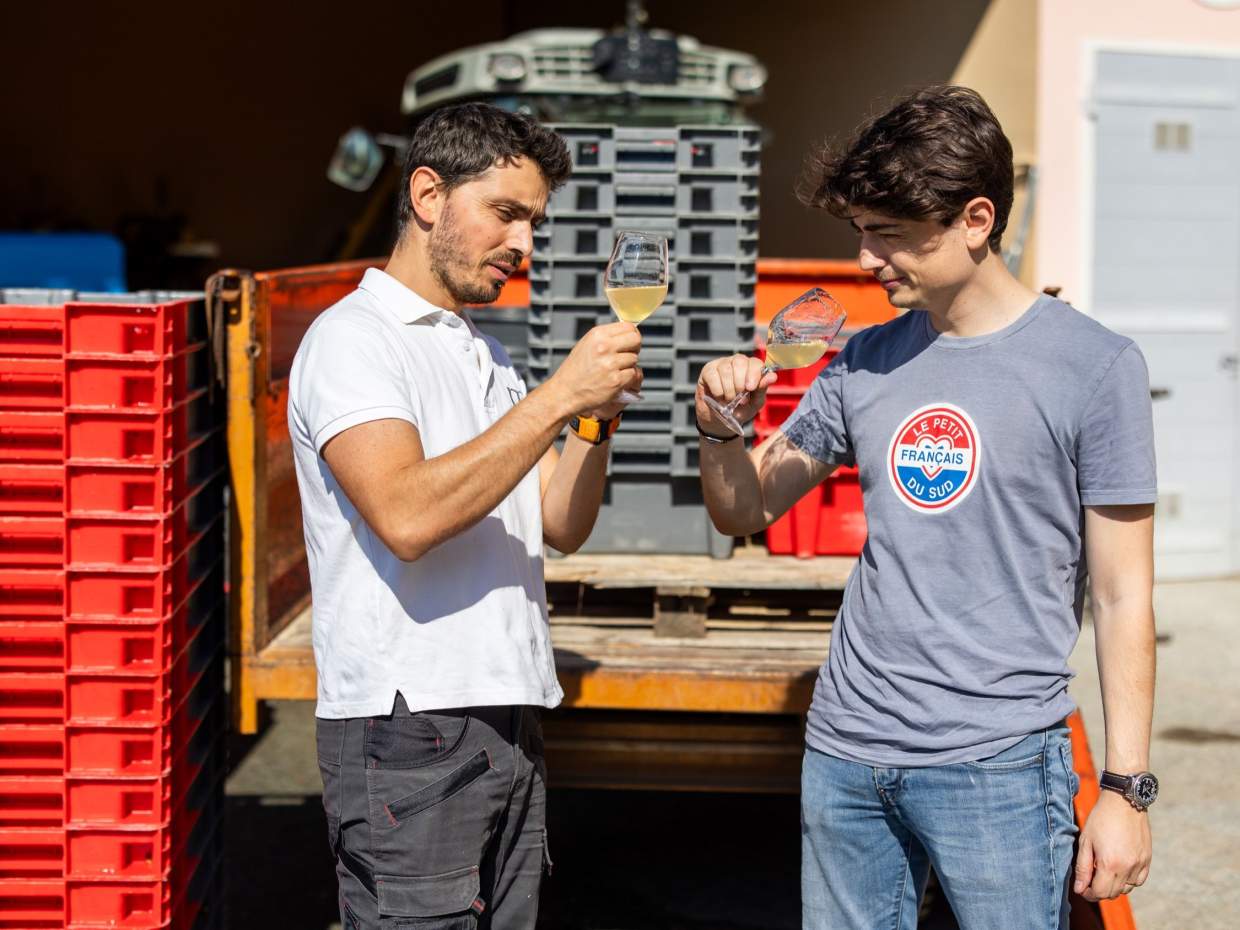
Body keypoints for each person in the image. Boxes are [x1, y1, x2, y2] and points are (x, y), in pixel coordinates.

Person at [695, 85, 1157, 929]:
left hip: (1000, 764)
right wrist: (719, 430)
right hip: (845, 751)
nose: (867, 259)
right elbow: (746, 510)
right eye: (861, 233)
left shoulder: (1095, 367)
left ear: (977, 220)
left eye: (892, 236)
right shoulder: (861, 360)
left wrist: (1125, 790)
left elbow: (1125, 596)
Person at [288, 102, 642, 930]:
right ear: (427, 196)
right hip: (408, 724)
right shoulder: (354, 339)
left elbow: (560, 520)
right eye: (507, 213)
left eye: (534, 222)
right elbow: (405, 515)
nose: (525, 244)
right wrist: (560, 395)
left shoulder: (485, 350)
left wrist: (594, 419)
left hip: (505, 717)